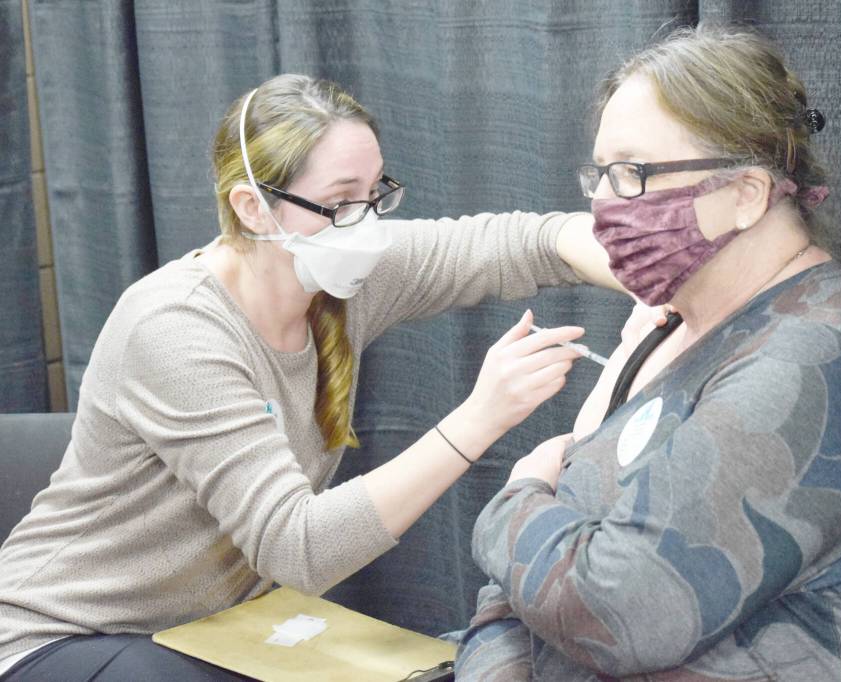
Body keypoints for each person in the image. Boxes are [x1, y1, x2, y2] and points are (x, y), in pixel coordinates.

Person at [0, 73, 628, 680]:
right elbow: (298, 549)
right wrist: (479, 418)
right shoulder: (176, 330)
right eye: (340, 202)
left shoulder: (337, 276)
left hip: (210, 631)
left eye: (376, 194)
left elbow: (530, 242)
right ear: (252, 207)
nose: (366, 224)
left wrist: (649, 266)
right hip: (63, 635)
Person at [457, 25, 841, 680]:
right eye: (600, 174)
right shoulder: (671, 331)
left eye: (632, 173)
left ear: (746, 194)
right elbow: (530, 588)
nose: (603, 203)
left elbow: (615, 614)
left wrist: (517, 495)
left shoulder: (812, 361)